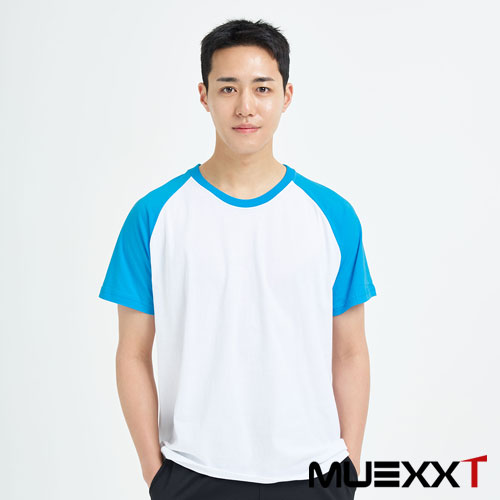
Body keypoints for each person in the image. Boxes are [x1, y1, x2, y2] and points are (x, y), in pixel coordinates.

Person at [99, 18, 376, 499]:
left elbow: (350, 351)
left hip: (314, 475)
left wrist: (349, 467)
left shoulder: (332, 216)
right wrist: (155, 472)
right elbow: (133, 353)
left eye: (262, 88)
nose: (245, 106)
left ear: (286, 96)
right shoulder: (155, 216)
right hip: (194, 473)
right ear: (203, 95)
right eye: (228, 88)